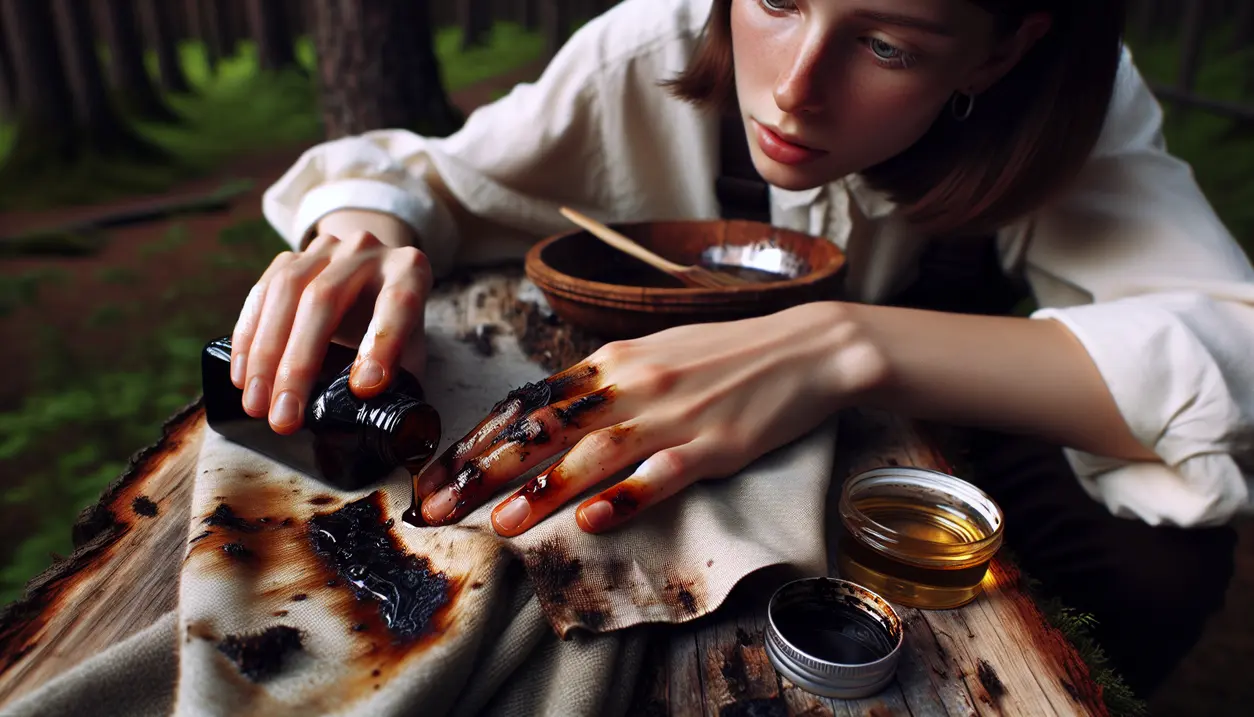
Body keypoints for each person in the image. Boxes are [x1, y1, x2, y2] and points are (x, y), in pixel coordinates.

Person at [235, 0, 1253, 697]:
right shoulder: (650, 44)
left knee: (1161, 562)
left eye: (887, 44)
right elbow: (426, 177)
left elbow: (1233, 346)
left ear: (996, 54)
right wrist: (363, 237)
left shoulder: (1068, 105)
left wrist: (845, 346)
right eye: (775, 1)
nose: (796, 87)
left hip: (938, 459)